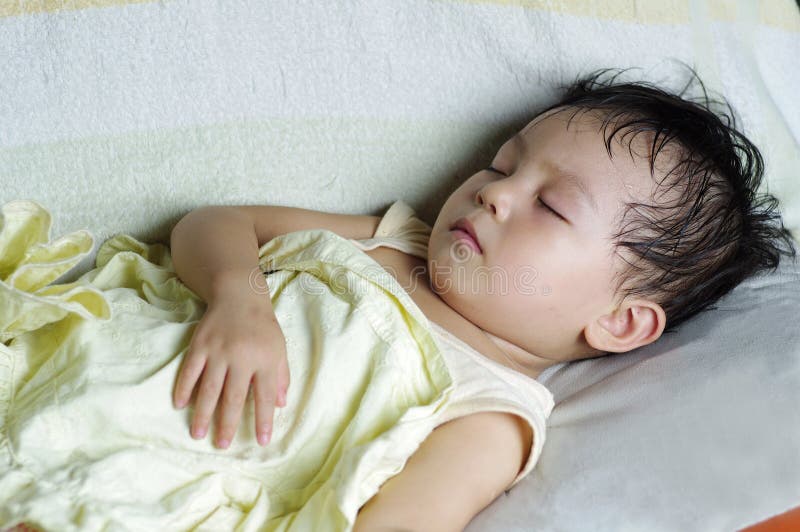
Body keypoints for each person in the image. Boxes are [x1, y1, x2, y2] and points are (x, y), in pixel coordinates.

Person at [2, 66, 795, 531]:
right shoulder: (393, 240)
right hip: (72, 360)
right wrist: (238, 297)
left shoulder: (489, 414)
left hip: (144, 481)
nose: (492, 194)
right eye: (499, 165)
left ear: (619, 320)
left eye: (551, 206)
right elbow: (218, 221)